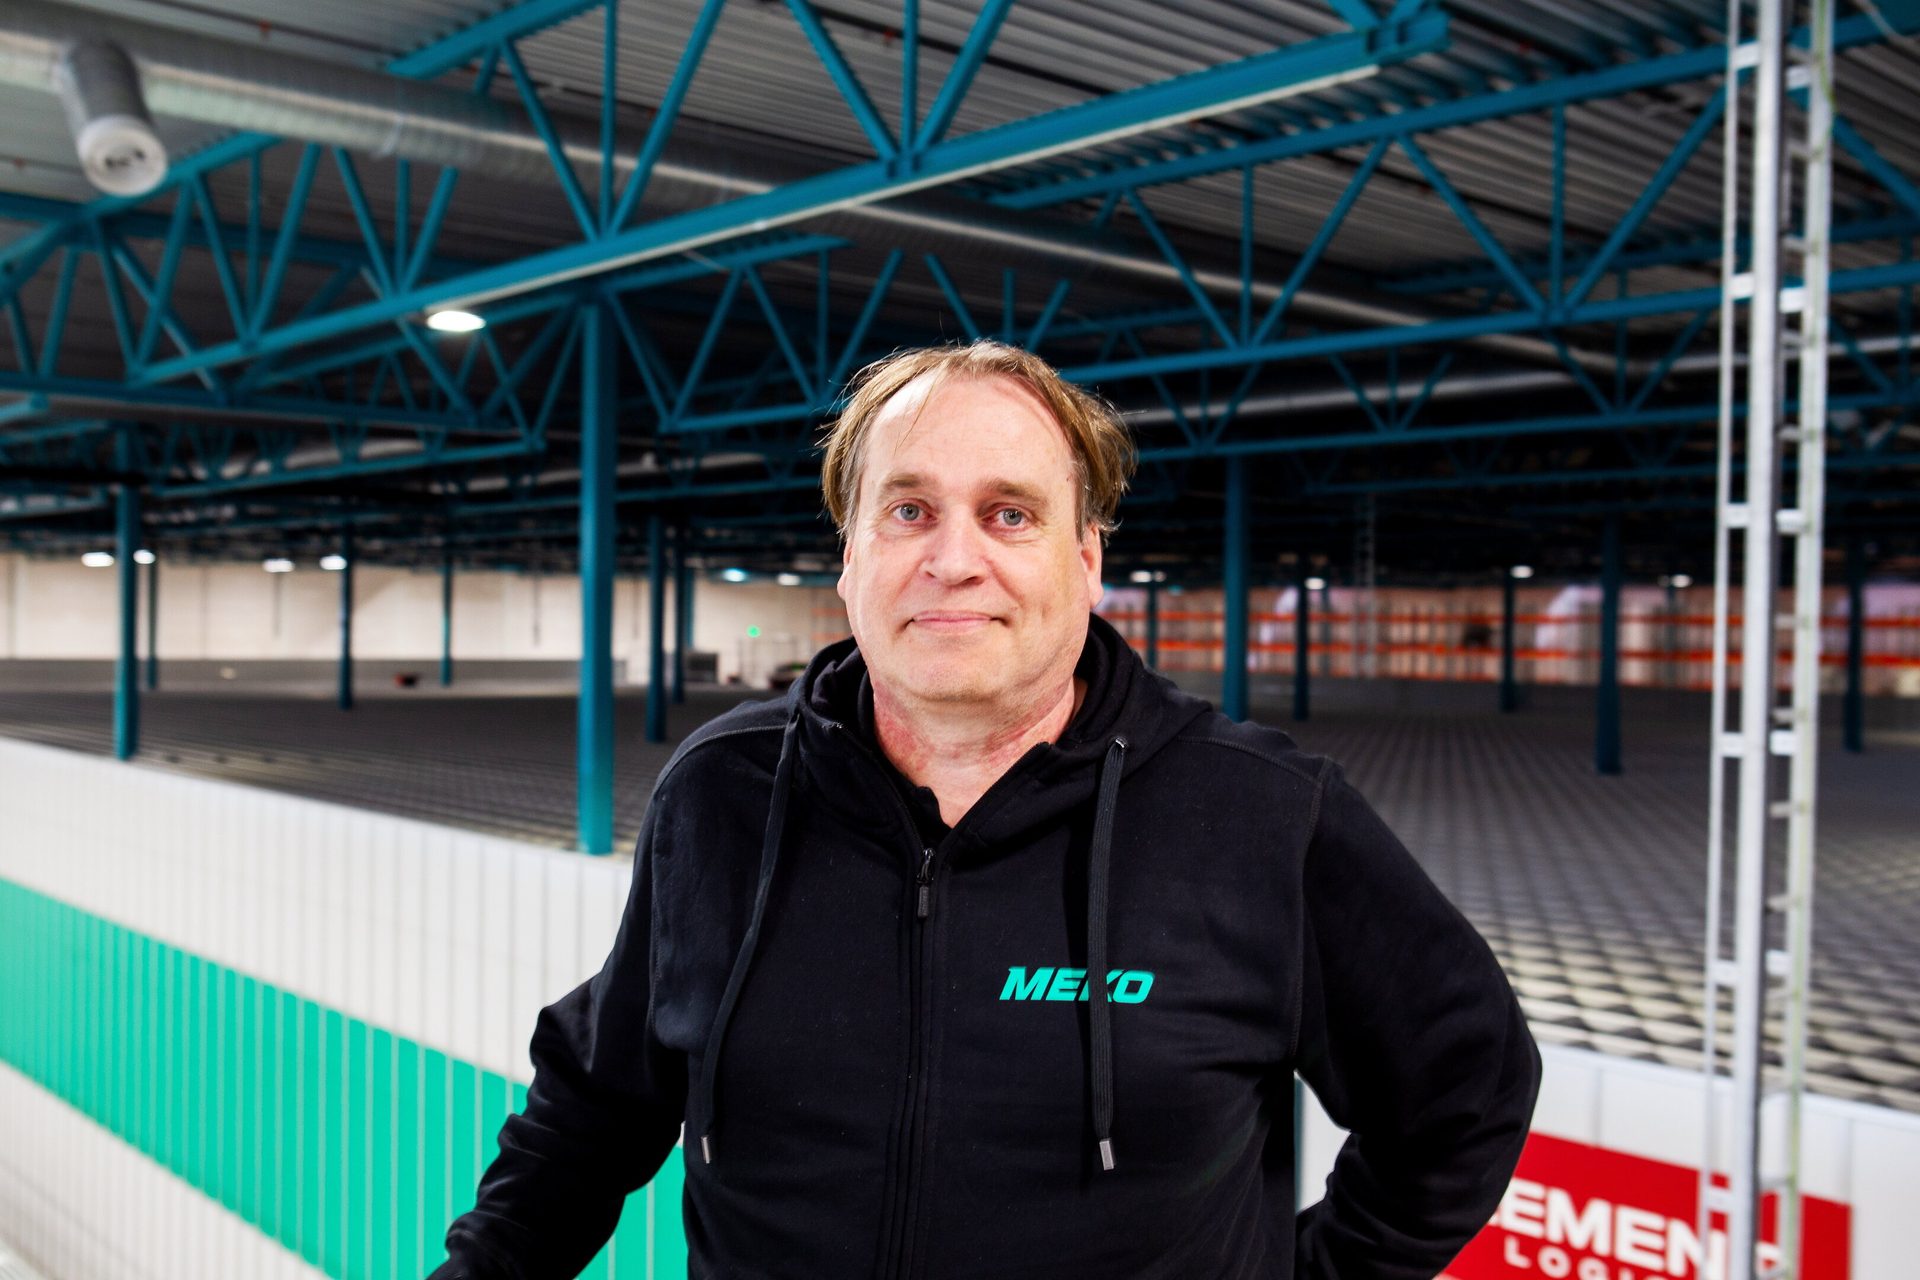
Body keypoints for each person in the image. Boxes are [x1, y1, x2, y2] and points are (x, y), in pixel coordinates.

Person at [431, 340, 1540, 1279]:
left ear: (1085, 556)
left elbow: (1466, 1088)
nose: (953, 559)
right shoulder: (724, 793)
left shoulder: (1259, 815)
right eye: (908, 508)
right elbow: (594, 1105)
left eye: (1009, 514)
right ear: (852, 550)